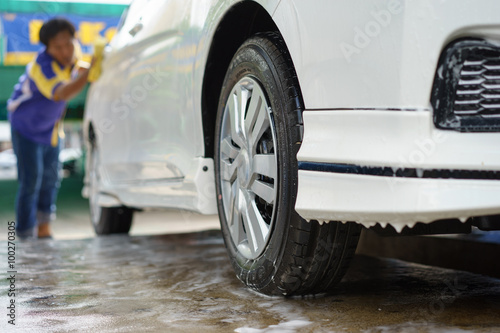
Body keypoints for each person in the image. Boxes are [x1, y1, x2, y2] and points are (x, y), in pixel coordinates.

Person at [7, 18, 92, 240]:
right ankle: (25, 235)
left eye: (68, 43)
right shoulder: (41, 66)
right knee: (30, 181)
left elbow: (82, 66)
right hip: (26, 128)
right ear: (47, 47)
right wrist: (88, 73)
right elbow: (62, 93)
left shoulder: (75, 56)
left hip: (51, 130)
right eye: (58, 46)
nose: (65, 50)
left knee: (51, 179)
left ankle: (44, 230)